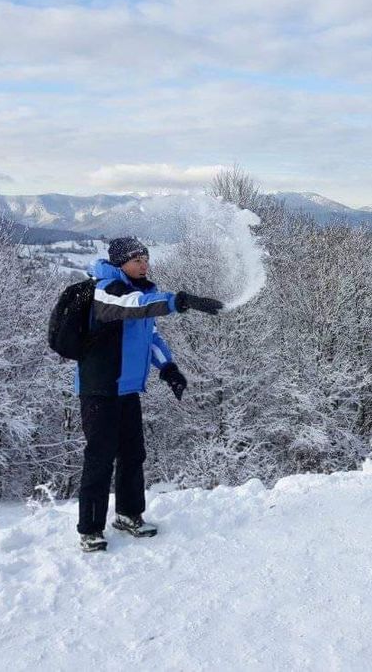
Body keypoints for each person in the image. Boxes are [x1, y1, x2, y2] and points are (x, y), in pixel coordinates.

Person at [75, 236, 223, 552]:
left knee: (132, 455)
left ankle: (129, 515)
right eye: (136, 260)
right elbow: (133, 308)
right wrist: (178, 301)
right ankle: (89, 529)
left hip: (127, 389)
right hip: (100, 389)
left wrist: (168, 369)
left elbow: (151, 336)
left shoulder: (143, 291)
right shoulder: (105, 291)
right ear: (119, 264)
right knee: (99, 461)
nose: (144, 265)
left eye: (146, 259)